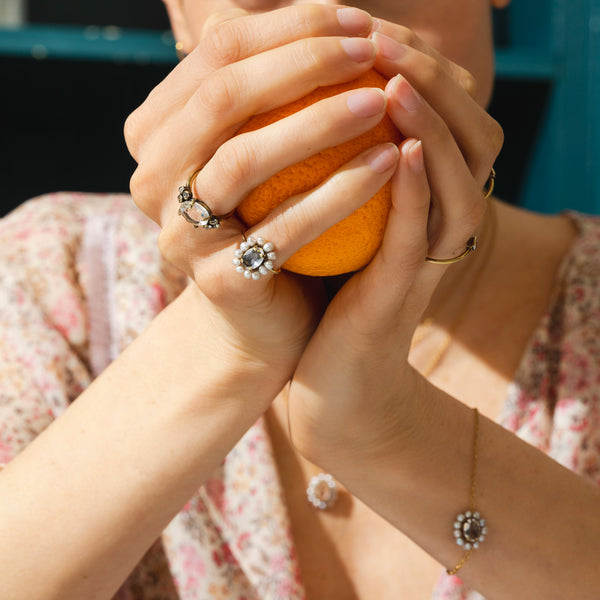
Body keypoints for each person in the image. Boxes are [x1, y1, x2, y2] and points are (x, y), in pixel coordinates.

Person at [0, 0, 598, 598]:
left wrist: (393, 432)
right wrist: (226, 343)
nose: (326, 10)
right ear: (181, 16)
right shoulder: (49, 280)